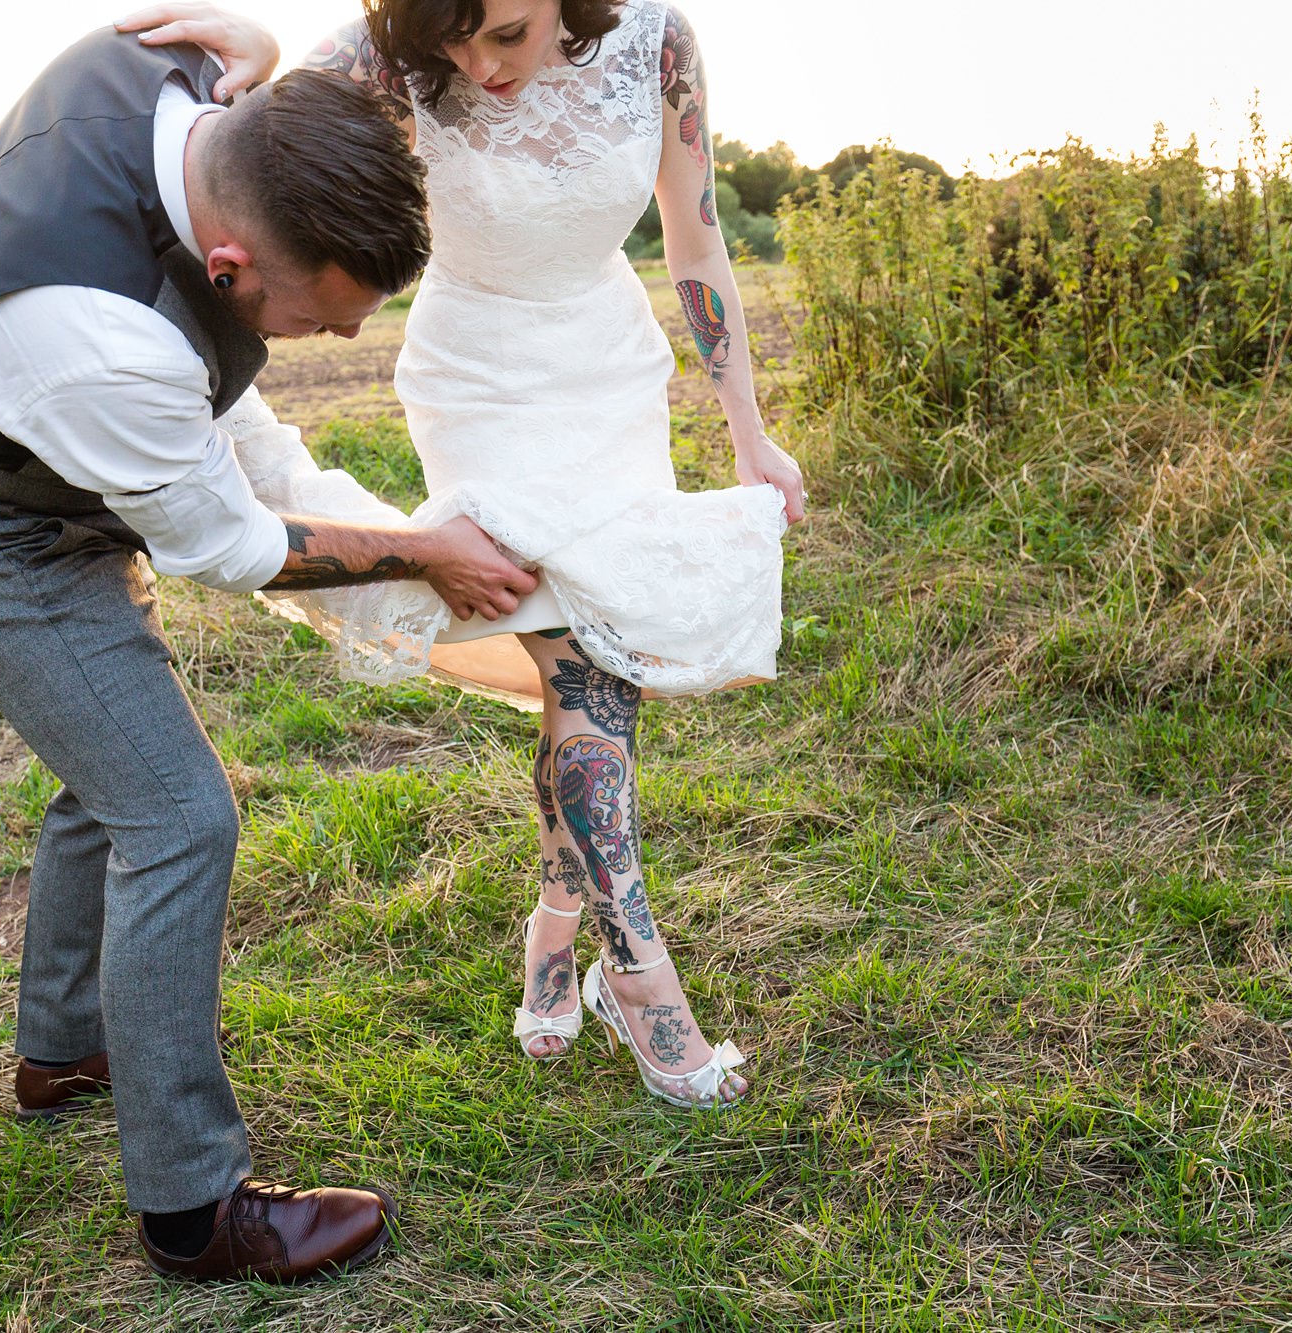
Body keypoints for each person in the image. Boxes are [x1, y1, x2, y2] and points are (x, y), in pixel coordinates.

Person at [0, 25, 539, 1282]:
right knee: (175, 813)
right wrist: (420, 552)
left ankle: (63, 1045)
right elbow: (232, 542)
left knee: (106, 764)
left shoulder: (175, 80)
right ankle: (191, 1207)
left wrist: (268, 45)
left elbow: (240, 421)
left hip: (52, 480)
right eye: (312, 319)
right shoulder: (96, 338)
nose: (327, 345)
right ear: (228, 263)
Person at [119, 0, 806, 1110]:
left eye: (508, 33)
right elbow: (245, 150)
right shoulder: (381, 52)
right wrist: (243, 68)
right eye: (452, 40)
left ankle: (553, 924)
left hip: (603, 367)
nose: (478, 66)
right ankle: (639, 975)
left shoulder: (662, 42)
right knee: (581, 663)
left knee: (593, 654)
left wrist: (747, 430)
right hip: (475, 377)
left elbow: (695, 233)